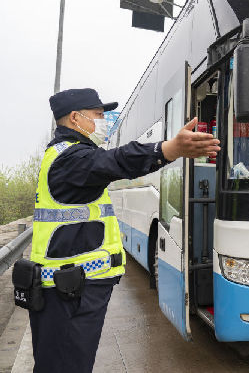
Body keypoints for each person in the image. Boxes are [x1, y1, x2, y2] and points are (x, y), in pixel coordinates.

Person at [29, 88, 220, 373]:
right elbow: (116, 160)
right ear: (75, 118)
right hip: (68, 293)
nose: (103, 121)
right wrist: (168, 149)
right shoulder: (70, 158)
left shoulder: (67, 154)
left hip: (71, 288)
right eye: (97, 115)